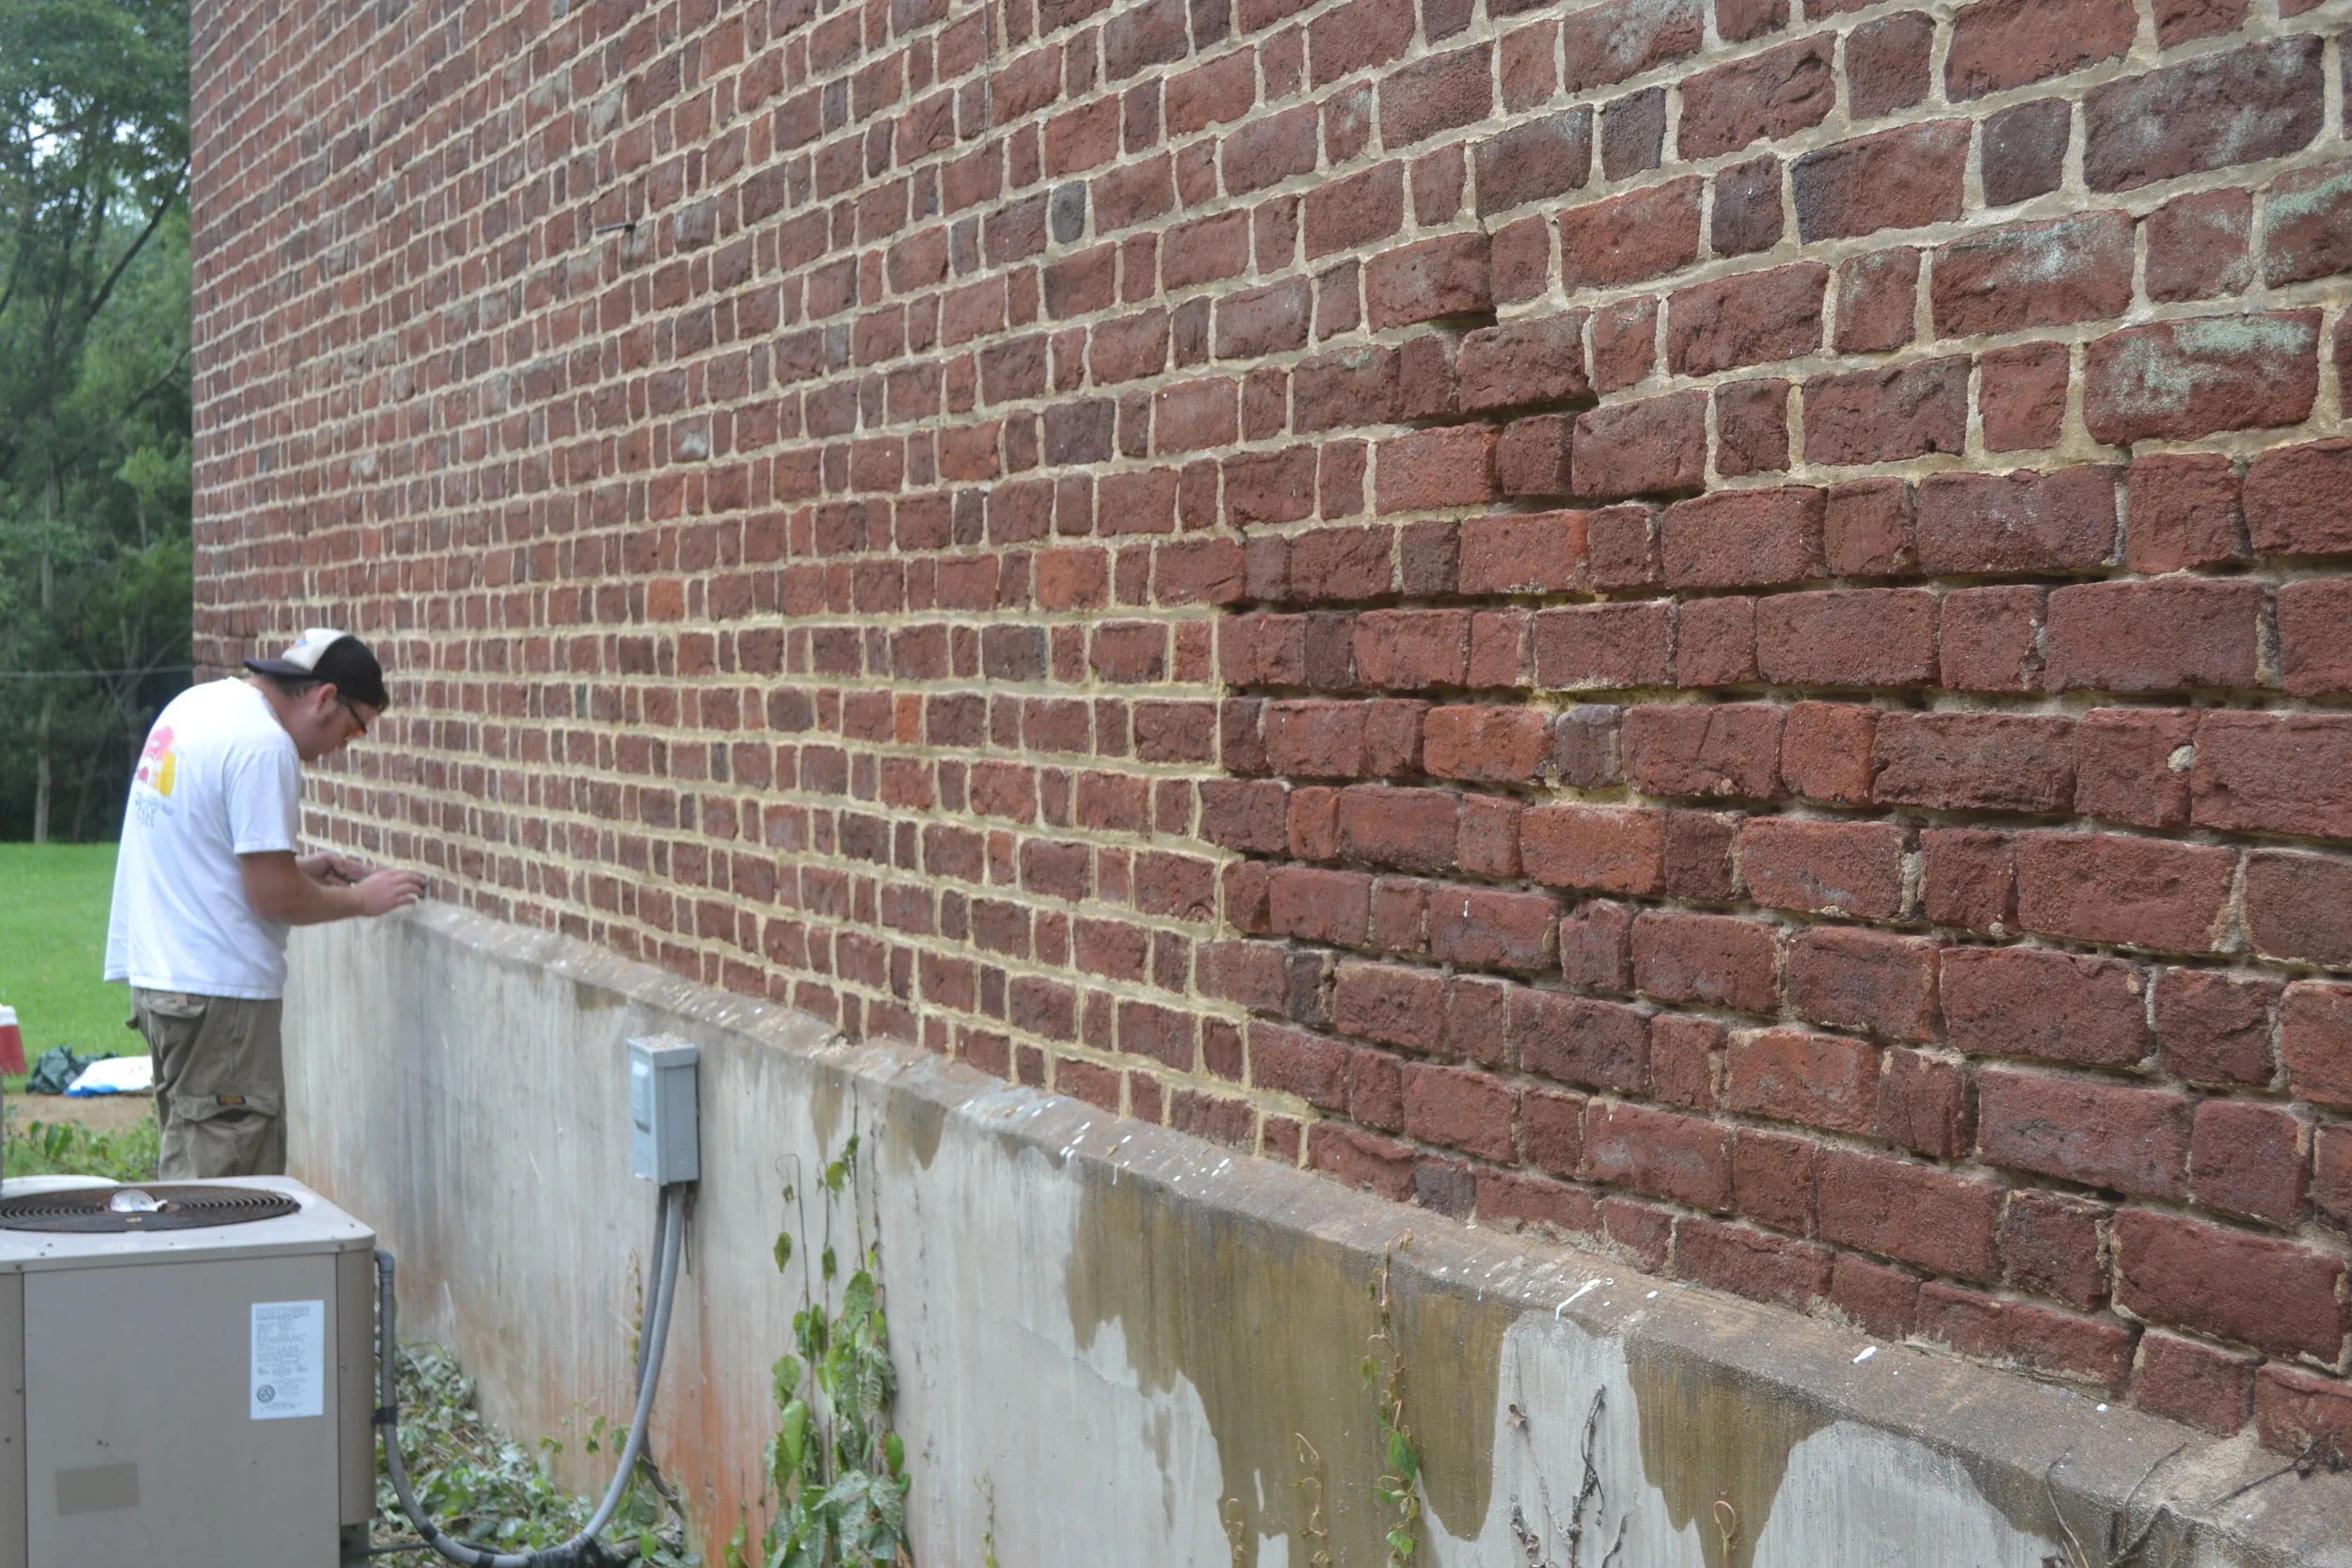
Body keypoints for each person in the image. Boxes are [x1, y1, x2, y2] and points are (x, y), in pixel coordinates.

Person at [104, 628, 426, 1179]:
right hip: (220, 999)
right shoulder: (263, 745)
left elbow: (201, 854)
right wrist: (361, 899)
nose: (342, 748)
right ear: (324, 696)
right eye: (353, 728)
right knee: (227, 1199)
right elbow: (271, 896)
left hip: (165, 984)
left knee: (189, 1175)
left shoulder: (199, 706)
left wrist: (298, 869)